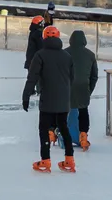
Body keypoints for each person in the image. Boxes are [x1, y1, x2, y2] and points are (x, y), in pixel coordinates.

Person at [23, 26, 76, 173]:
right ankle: (69, 159)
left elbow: (32, 77)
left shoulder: (40, 55)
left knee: (44, 129)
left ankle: (45, 160)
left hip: (47, 98)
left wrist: (26, 96)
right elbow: (72, 78)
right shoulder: (67, 56)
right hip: (64, 99)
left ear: (44, 38)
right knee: (63, 127)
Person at [66, 30, 99, 151]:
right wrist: (88, 90)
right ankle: (83, 136)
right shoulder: (90, 55)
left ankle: (58, 134)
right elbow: (94, 76)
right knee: (83, 111)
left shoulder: (64, 53)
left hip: (67, 86)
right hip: (83, 86)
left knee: (64, 111)